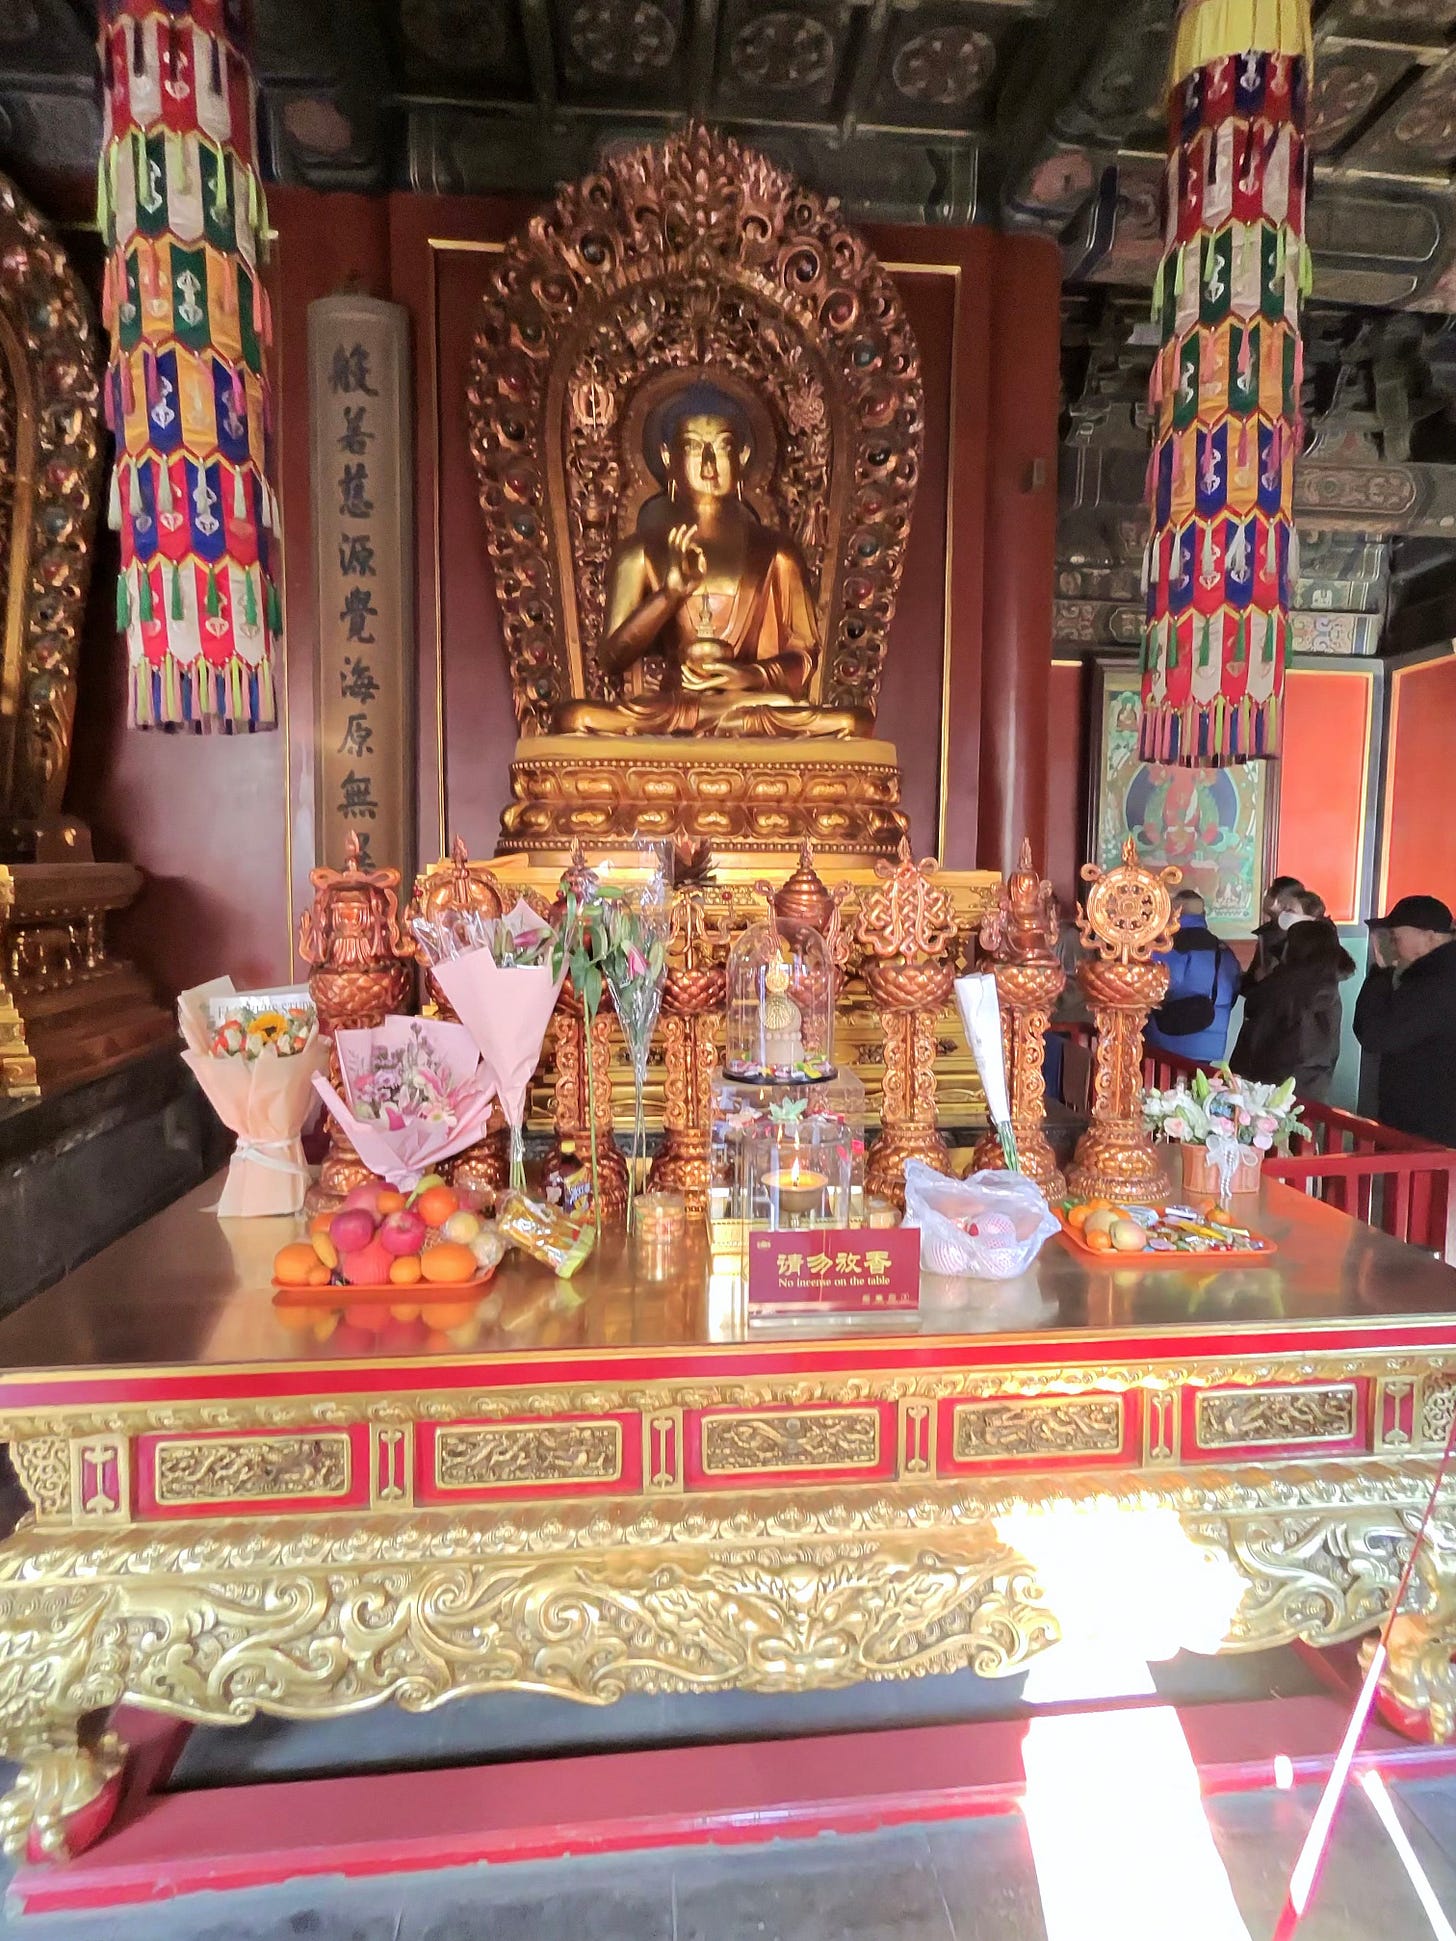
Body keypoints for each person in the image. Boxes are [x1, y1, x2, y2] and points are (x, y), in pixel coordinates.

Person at [1353, 894, 1456, 1145]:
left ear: (1429, 937)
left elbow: (1375, 1035)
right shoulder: (1436, 976)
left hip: (1427, 1128)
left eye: (1396, 937)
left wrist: (1381, 972)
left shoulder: (1435, 985)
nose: (1391, 944)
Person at [1231, 917, 1356, 1100]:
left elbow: (1256, 1042)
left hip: (1269, 1087)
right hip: (1312, 1086)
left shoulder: (1284, 989)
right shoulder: (1327, 987)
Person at [1146, 889, 1242, 1067]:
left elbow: (1152, 986)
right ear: (1203, 914)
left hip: (1169, 1040)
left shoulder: (1167, 947)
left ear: (1174, 912)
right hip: (1211, 1045)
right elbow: (1234, 989)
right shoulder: (1224, 950)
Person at [1246, 875, 1306, 986]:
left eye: (1269, 894)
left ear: (1277, 901)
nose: (1264, 898)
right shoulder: (1269, 931)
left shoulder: (1287, 935)